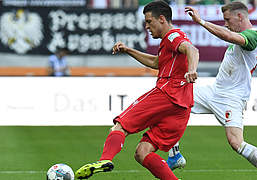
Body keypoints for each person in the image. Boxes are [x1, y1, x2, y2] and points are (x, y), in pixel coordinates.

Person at [74, 1, 199, 179]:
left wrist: (192, 69)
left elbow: (192, 50)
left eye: (149, 21)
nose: (146, 26)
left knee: (120, 125)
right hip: (183, 106)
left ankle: (105, 159)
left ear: (162, 19)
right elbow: (155, 63)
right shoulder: (169, 41)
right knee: (143, 152)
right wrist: (128, 50)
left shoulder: (172, 36)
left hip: (167, 93)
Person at [167, 2, 257, 180]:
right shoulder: (248, 37)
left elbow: (230, 37)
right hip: (214, 90)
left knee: (236, 143)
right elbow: (254, 51)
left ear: (240, 16)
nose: (226, 23)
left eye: (227, 19)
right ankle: (175, 155)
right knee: (172, 99)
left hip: (231, 98)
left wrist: (201, 21)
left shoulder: (251, 35)